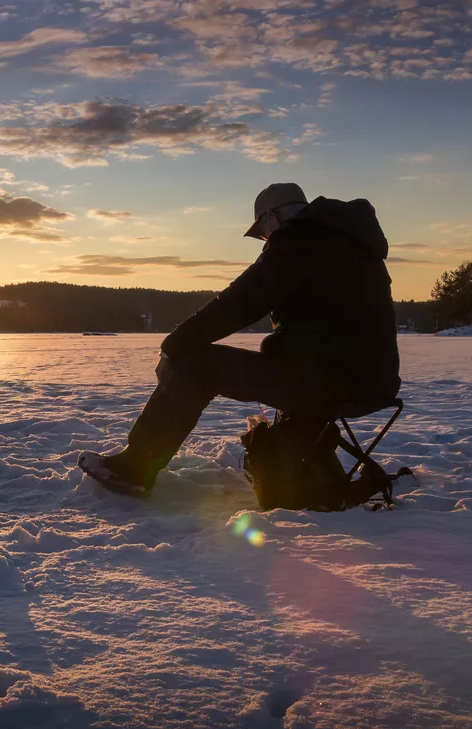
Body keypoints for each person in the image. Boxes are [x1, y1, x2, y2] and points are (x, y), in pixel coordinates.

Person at [78, 183, 401, 497]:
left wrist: (172, 348)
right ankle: (302, 477)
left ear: (271, 218)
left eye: (262, 232)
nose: (265, 240)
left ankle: (134, 469)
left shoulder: (299, 242)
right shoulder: (353, 246)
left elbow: (237, 304)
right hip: (370, 382)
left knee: (198, 365)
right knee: (280, 375)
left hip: (328, 382)